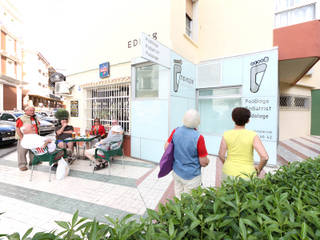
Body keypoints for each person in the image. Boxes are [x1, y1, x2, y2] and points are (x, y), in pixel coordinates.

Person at [164, 109, 209, 198]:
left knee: (178, 197)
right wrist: (208, 161)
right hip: (191, 177)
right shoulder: (198, 137)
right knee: (190, 202)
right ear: (197, 121)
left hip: (177, 172)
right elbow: (203, 162)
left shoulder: (175, 131)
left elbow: (166, 148)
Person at [218, 107, 269, 181]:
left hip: (228, 172)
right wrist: (259, 169)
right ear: (248, 121)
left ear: (232, 119)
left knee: (226, 192)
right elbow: (265, 157)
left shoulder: (226, 134)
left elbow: (221, 154)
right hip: (247, 175)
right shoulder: (253, 135)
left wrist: (227, 164)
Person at [15, 106, 40, 171]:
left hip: (33, 138)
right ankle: (22, 165)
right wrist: (21, 138)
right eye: (31, 110)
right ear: (25, 111)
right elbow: (17, 129)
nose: (32, 112)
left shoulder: (34, 118)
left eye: (33, 110)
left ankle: (33, 162)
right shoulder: (21, 118)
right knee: (22, 152)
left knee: (33, 151)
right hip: (24, 138)